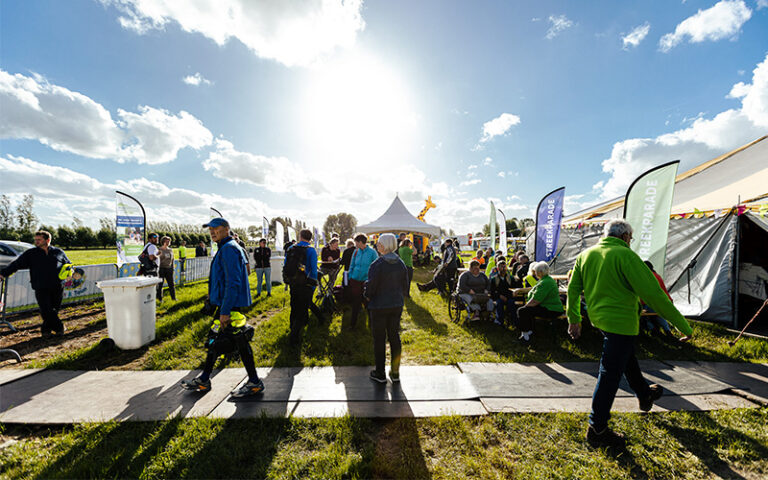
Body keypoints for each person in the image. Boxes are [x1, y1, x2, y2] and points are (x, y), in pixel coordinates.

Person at [567, 219, 693, 448]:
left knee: (626, 358)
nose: (630, 242)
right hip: (622, 324)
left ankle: (644, 394)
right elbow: (655, 295)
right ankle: (597, 429)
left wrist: (574, 319)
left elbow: (573, 289)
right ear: (625, 237)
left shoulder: (585, 255)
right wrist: (683, 326)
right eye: (631, 239)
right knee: (609, 374)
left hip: (600, 321)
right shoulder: (627, 256)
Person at [181, 217, 264, 397]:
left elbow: (232, 282)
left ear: (226, 229)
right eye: (209, 229)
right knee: (219, 340)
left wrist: (225, 311)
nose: (212, 231)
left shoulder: (229, 249)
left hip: (230, 307)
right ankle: (205, 379)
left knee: (229, 342)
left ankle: (254, 382)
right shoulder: (227, 247)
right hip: (226, 304)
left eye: (215, 228)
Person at [0, 230, 71, 336]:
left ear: (48, 240)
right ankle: (60, 327)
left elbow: (68, 264)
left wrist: (70, 273)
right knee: (46, 309)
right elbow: (16, 264)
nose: (36, 242)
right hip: (40, 286)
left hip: (57, 286)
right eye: (36, 240)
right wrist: (3, 273)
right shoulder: (31, 253)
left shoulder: (58, 252)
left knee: (54, 309)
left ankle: (46, 331)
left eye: (39, 240)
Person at [365, 233, 409, 383]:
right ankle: (395, 372)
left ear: (384, 245)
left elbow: (371, 287)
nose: (377, 245)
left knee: (379, 339)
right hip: (396, 304)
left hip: (379, 305)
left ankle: (380, 372)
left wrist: (367, 295)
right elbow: (405, 285)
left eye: (379, 243)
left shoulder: (377, 264)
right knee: (394, 336)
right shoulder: (401, 263)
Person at [285, 229, 326, 346]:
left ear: (300, 236)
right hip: (306, 284)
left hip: (293, 282)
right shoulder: (311, 250)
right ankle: (294, 338)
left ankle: (292, 328)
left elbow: (286, 265)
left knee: (294, 306)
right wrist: (313, 285)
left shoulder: (290, 248)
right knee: (302, 309)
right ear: (310, 238)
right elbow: (313, 270)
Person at [516, 261, 563, 343]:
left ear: (540, 272)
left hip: (552, 309)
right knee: (527, 311)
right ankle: (529, 332)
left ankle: (525, 335)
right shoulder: (546, 280)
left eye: (536, 271)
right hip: (549, 307)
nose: (535, 273)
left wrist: (526, 306)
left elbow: (536, 300)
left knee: (522, 311)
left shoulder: (545, 282)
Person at [347, 233, 378, 328]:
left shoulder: (372, 252)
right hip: (355, 280)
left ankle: (372, 326)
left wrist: (371, 280)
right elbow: (352, 265)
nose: (355, 244)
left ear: (360, 242)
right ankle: (352, 325)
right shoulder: (356, 252)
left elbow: (377, 267)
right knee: (355, 304)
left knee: (368, 304)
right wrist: (350, 277)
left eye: (356, 242)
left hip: (366, 282)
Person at [641, 261, 673, 335]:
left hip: (651, 303)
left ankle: (652, 329)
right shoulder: (657, 276)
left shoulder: (646, 277)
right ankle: (667, 330)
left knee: (641, 314)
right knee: (659, 314)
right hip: (664, 302)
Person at [490, 259, 517, 326]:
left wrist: (509, 296)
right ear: (498, 268)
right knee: (499, 303)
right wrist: (499, 296)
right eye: (501, 267)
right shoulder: (494, 279)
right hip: (499, 297)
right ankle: (500, 321)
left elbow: (513, 288)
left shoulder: (510, 278)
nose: (503, 269)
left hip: (509, 296)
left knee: (511, 303)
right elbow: (492, 291)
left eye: (504, 267)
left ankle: (513, 321)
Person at [157, 236, 176, 301]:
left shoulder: (170, 250)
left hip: (169, 269)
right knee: (160, 285)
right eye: (166, 241)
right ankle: (160, 299)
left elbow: (172, 259)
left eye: (169, 241)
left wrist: (172, 267)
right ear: (163, 242)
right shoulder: (159, 250)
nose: (168, 242)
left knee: (171, 284)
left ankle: (173, 298)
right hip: (161, 269)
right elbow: (157, 260)